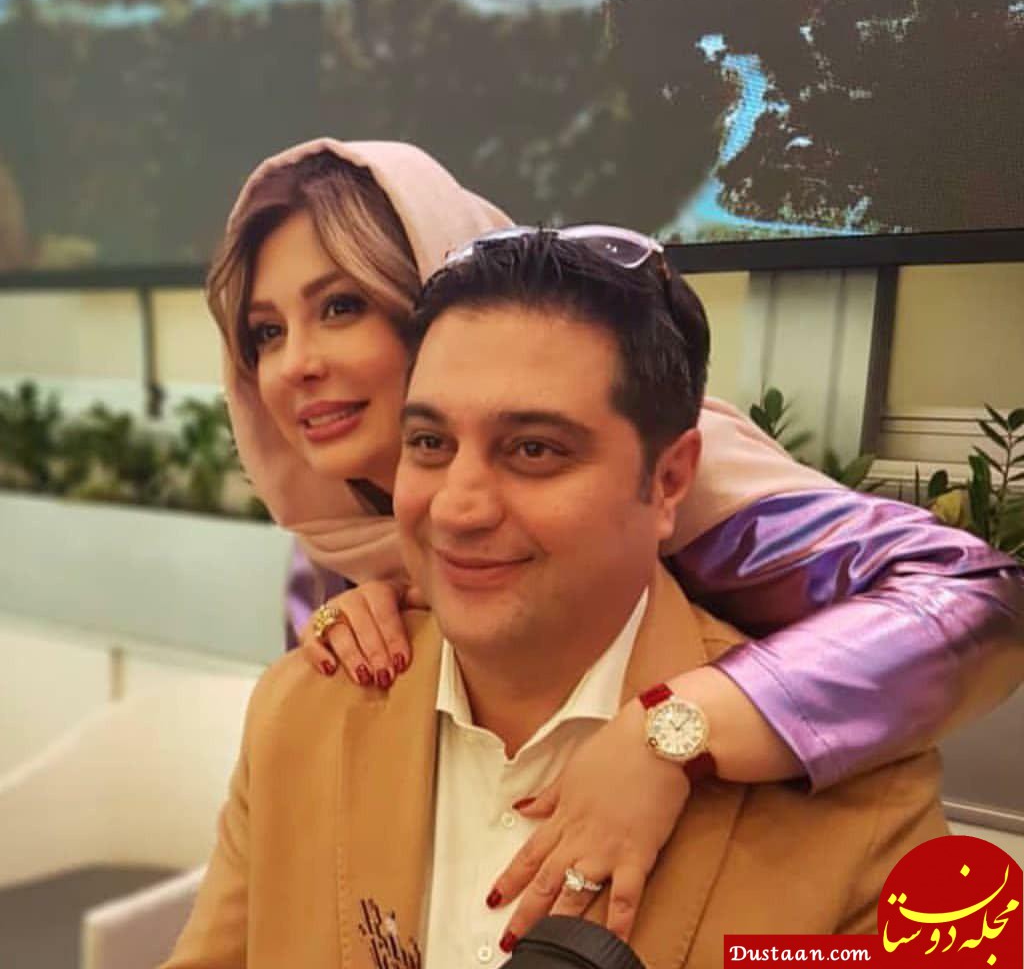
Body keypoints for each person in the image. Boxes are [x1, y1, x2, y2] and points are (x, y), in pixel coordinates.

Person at [209, 138, 1023, 940]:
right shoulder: (332, 547)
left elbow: (977, 598)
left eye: (340, 307)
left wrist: (673, 731)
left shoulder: (702, 486)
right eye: (265, 332)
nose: (295, 365)